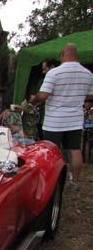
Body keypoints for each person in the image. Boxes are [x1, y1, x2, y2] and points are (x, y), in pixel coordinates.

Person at [30, 43, 93, 188]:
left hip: (54, 121)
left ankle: (50, 181)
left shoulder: (54, 73)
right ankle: (75, 181)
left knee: (51, 150)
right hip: (75, 120)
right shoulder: (88, 74)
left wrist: (35, 98)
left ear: (63, 54)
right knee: (74, 150)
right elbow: (90, 96)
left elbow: (44, 95)